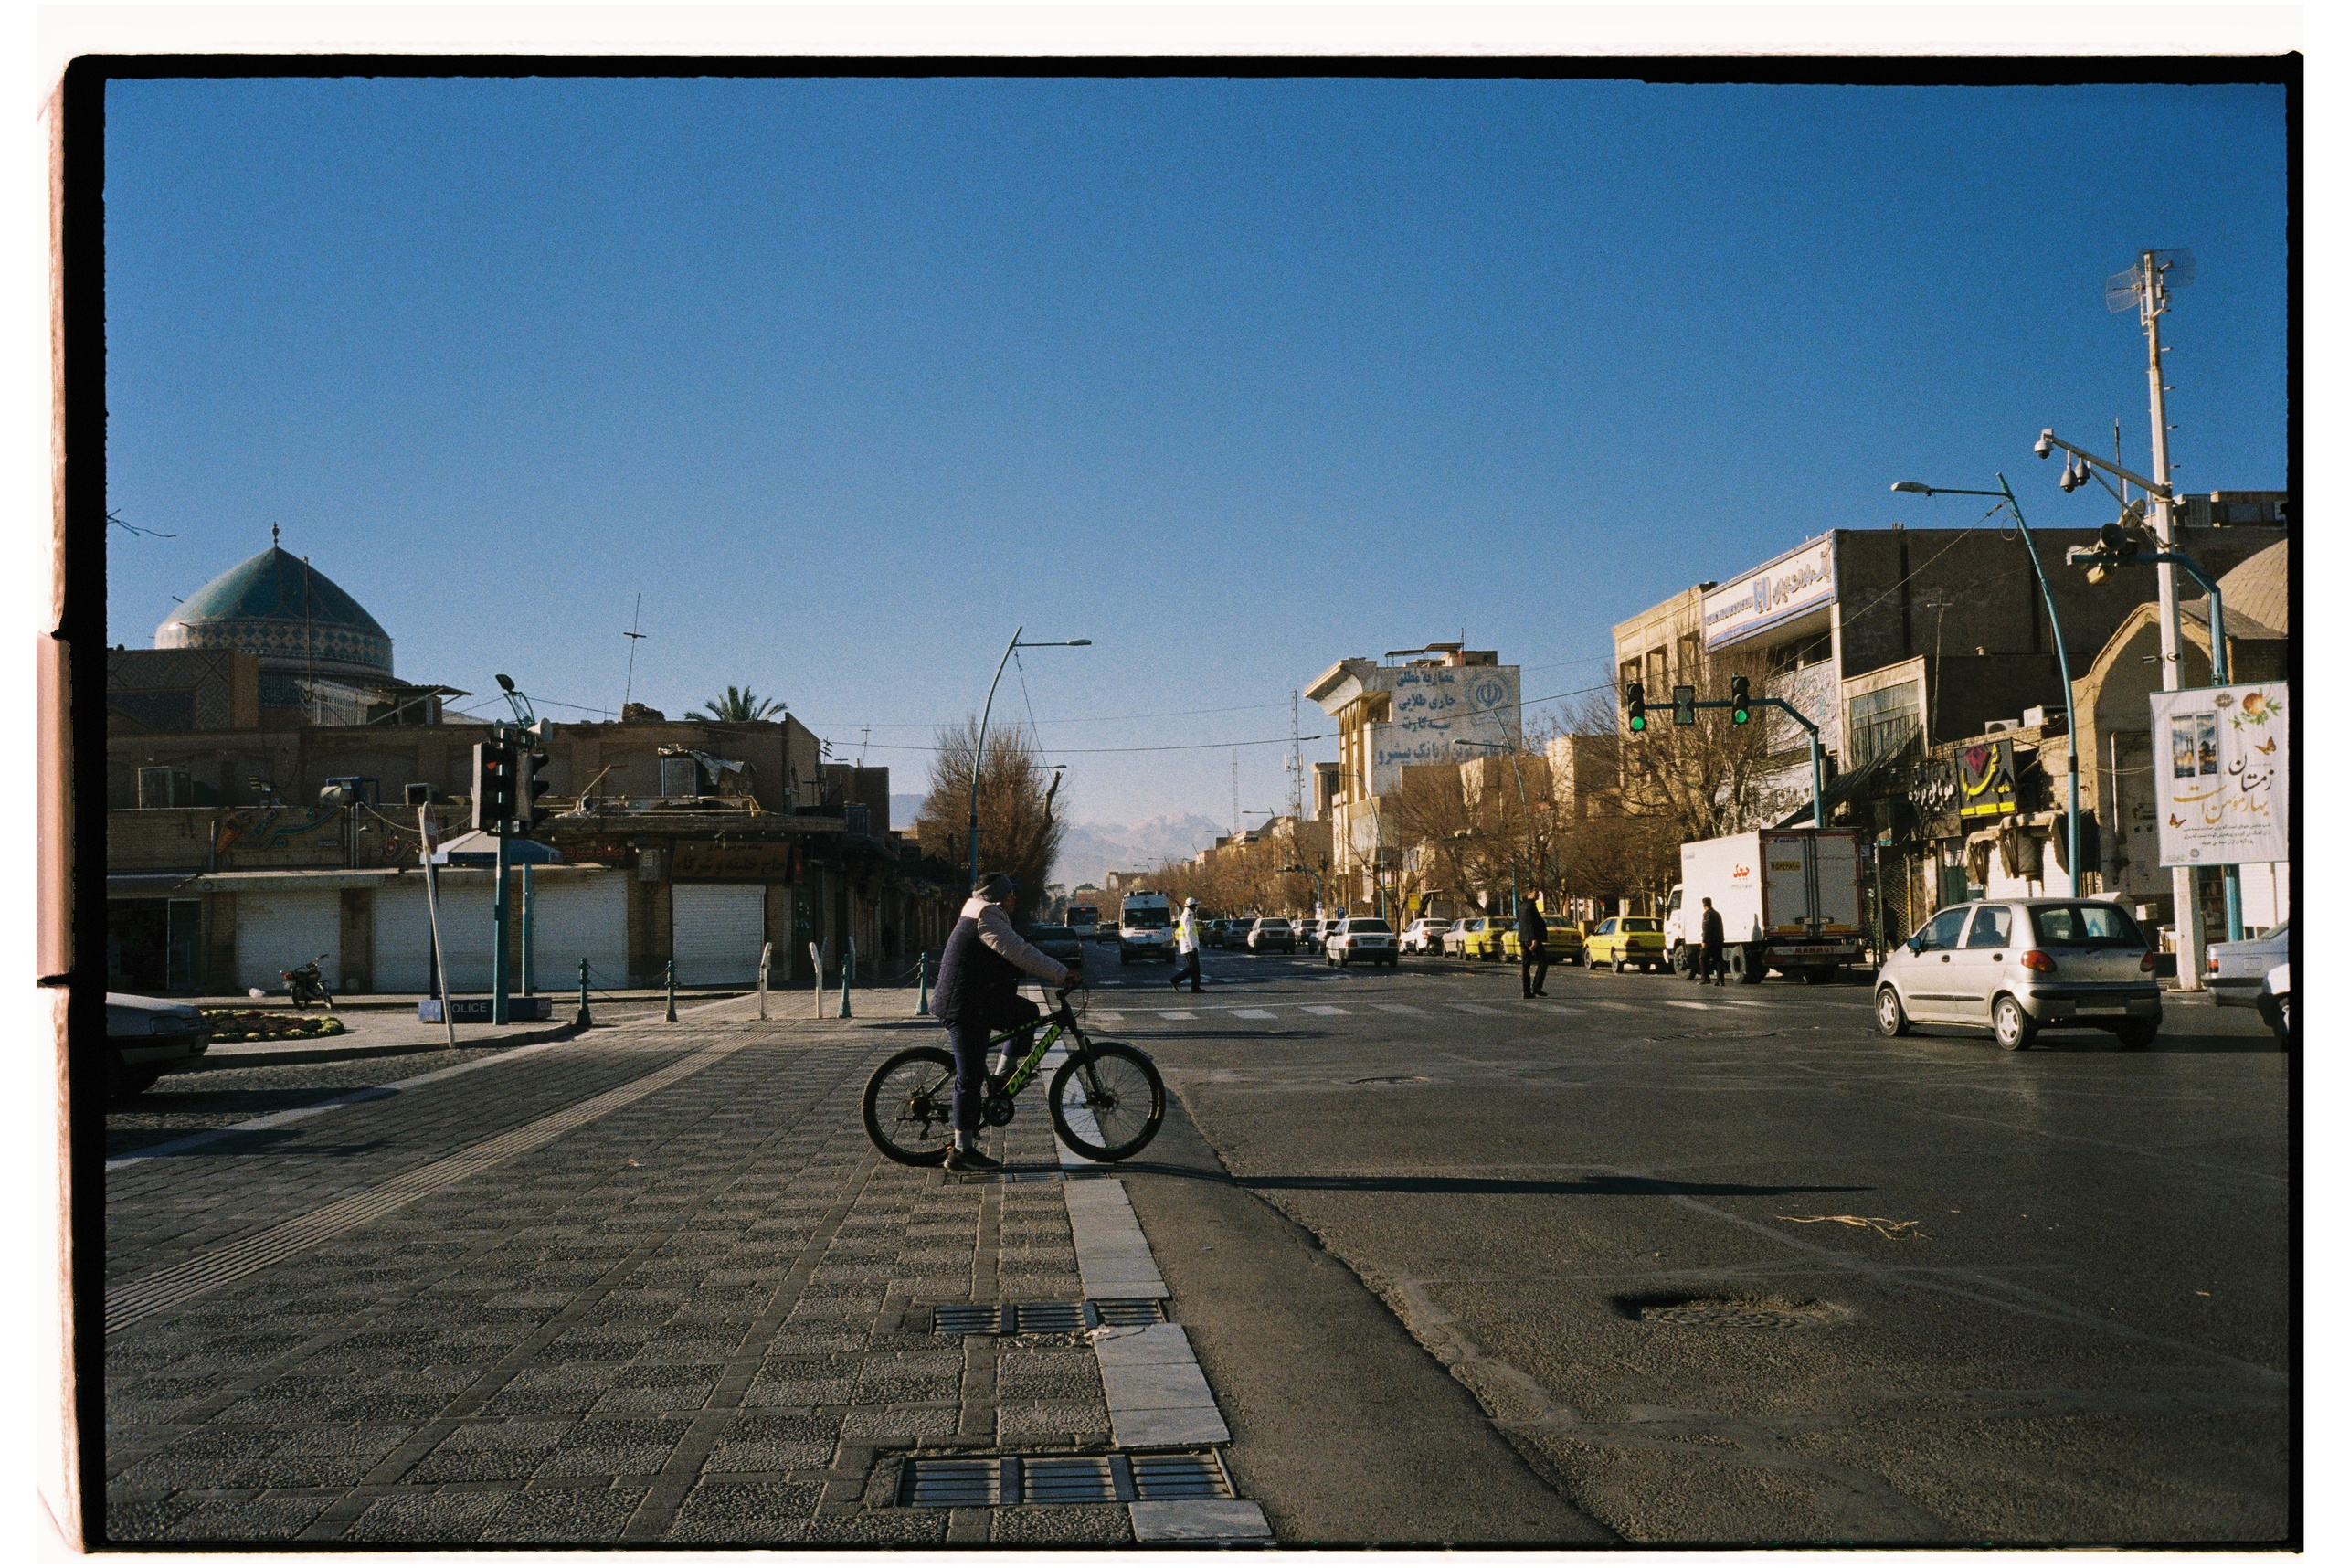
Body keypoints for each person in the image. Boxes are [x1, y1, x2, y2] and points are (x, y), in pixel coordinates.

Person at [928, 873, 1080, 1172]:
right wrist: (1061, 973)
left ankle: (1002, 1076)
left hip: (981, 1000)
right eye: (1011, 893)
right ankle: (961, 1152)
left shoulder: (981, 912)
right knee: (970, 1078)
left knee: (1027, 1013)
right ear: (1000, 896)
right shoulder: (986, 917)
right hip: (964, 1006)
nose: (1014, 898)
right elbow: (1019, 952)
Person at [1518, 893, 1550, 998]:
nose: (1538, 894)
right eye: (1536, 892)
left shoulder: (1523, 905)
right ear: (1529, 893)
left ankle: (1526, 991)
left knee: (1526, 965)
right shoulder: (1530, 906)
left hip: (1523, 938)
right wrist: (1534, 939)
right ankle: (1537, 987)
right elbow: (1530, 923)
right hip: (1531, 939)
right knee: (1543, 960)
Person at [1170, 897, 1205, 992]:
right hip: (1189, 946)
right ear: (1192, 906)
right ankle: (1176, 980)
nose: (1196, 908)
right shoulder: (1188, 916)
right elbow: (1189, 933)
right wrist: (1193, 946)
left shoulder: (1186, 915)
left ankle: (1194, 987)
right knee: (1193, 967)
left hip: (1187, 946)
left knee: (1194, 968)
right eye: (1195, 906)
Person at [1699, 895, 1728, 984]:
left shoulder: (1707, 914)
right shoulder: (1717, 914)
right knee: (1718, 959)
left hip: (1710, 940)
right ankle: (1720, 980)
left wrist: (1704, 940)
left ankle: (1705, 979)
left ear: (1704, 905)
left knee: (1703, 958)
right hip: (1718, 940)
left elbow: (1706, 928)